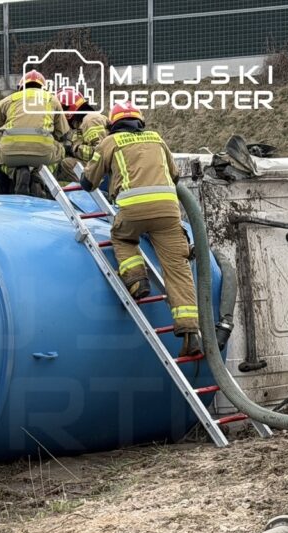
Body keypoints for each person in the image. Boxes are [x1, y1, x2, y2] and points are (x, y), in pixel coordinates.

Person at [80, 102, 201, 357]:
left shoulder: (110, 142)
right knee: (178, 269)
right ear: (140, 121)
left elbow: (88, 182)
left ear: (112, 124)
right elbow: (175, 176)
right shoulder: (157, 139)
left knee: (122, 237)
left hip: (133, 211)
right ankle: (190, 332)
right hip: (168, 212)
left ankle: (137, 280)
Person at [0, 70, 69, 196]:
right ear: (44, 87)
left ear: (20, 87)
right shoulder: (52, 100)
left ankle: (16, 173)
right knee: (61, 151)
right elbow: (63, 134)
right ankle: (38, 176)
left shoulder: (9, 100)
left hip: (10, 153)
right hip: (43, 154)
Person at [57, 87, 108, 180]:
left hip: (104, 172)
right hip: (97, 168)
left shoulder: (91, 120)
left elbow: (101, 153)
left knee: (67, 163)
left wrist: (72, 149)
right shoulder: (80, 126)